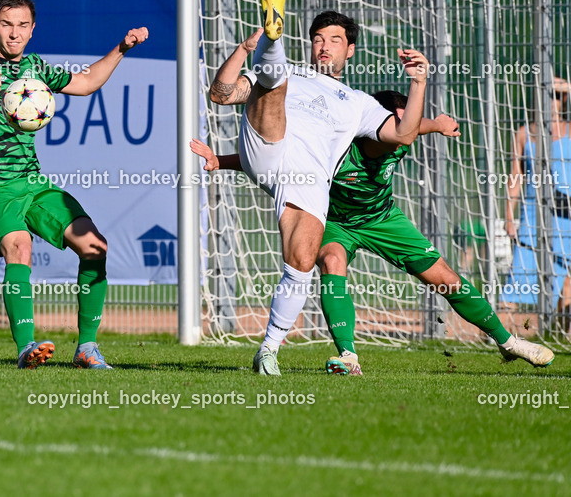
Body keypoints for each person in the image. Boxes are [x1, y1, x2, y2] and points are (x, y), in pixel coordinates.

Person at [193, 90, 554, 375]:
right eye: (396, 123)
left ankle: (509, 343)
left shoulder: (401, 137)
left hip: (382, 219)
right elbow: (273, 162)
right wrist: (220, 161)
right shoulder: (337, 146)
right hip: (334, 222)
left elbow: (413, 125)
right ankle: (348, 356)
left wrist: (437, 123)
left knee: (446, 279)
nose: (403, 131)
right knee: (331, 261)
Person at [0, 0, 147, 369]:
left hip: (33, 182)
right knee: (19, 247)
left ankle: (87, 348)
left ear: (33, 30)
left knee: (95, 246)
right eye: (6, 24)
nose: (14, 33)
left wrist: (122, 48)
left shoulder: (35, 67)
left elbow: (86, 83)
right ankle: (26, 347)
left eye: (22, 25)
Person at [208, 0, 428, 376]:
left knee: (302, 262)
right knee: (275, 83)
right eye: (318, 39)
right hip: (266, 145)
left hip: (306, 178)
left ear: (351, 50)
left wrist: (418, 83)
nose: (324, 46)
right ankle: (272, 42)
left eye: (335, 40)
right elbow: (220, 95)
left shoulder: (359, 102)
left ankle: (268, 351)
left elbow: (402, 133)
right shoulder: (297, 72)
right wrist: (243, 50)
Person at [501, 78, 571, 329]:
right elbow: (515, 177)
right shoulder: (524, 133)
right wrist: (509, 216)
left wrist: (566, 86)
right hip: (533, 215)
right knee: (518, 276)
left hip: (566, 217)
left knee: (566, 280)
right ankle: (495, 335)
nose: (551, 101)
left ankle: (560, 335)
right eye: (547, 95)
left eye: (557, 96)